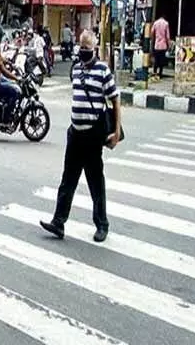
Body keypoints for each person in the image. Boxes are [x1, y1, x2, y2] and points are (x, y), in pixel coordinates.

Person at [40, 29, 121, 243]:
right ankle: (58, 222)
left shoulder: (103, 70)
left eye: (87, 48)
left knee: (95, 182)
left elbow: (115, 99)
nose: (83, 51)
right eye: (81, 47)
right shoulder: (76, 70)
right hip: (75, 134)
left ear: (94, 48)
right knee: (68, 180)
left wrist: (117, 130)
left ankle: (102, 225)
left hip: (93, 135)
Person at [152, 13, 171, 78]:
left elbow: (152, 32)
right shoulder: (166, 23)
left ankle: (154, 72)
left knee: (156, 60)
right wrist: (169, 45)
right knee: (161, 60)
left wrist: (154, 40)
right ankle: (160, 74)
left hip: (157, 45)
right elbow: (167, 36)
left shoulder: (155, 23)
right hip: (163, 45)